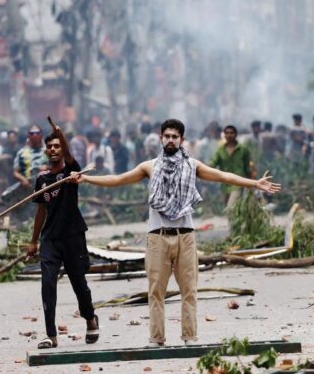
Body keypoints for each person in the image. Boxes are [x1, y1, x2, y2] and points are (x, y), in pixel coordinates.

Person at [71, 119, 280, 347]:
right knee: (156, 292)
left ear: (182, 140)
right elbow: (118, 179)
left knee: (189, 290)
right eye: (167, 136)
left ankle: (190, 338)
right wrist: (86, 179)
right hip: (157, 236)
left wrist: (254, 183)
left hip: (185, 236)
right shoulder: (148, 166)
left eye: (175, 136)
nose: (171, 140)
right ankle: (156, 339)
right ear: (161, 138)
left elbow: (223, 176)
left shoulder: (193, 165)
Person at [26, 128, 99, 349]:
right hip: (50, 238)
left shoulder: (71, 172)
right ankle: (51, 335)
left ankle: (90, 318)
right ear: (46, 151)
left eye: (57, 146)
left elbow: (69, 157)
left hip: (73, 236)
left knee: (79, 283)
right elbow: (41, 211)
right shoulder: (41, 179)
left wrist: (62, 135)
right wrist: (33, 241)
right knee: (47, 284)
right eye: (50, 146)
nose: (53, 149)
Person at [210, 125, 253, 207]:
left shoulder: (243, 149)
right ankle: (235, 220)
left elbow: (247, 167)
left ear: (236, 134)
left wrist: (250, 182)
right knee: (228, 208)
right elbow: (213, 162)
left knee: (231, 206)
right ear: (224, 135)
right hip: (224, 183)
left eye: (231, 133)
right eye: (227, 133)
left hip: (238, 182)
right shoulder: (220, 150)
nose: (229, 135)